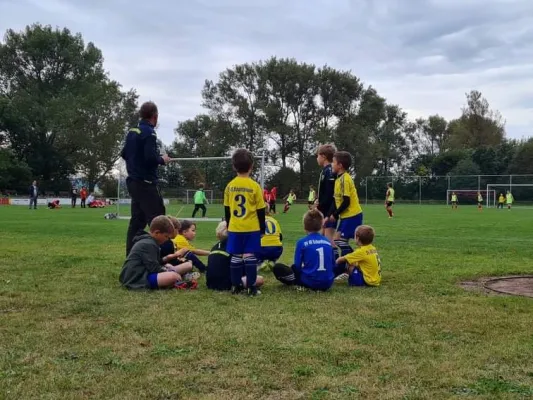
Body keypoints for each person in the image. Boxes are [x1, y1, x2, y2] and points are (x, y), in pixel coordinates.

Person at [121, 101, 171, 256]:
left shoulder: (132, 131)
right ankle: (164, 257)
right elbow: (150, 158)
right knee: (159, 221)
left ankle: (131, 256)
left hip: (133, 183)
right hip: (147, 184)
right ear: (155, 117)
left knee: (137, 222)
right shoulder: (149, 133)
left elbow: (124, 154)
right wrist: (162, 160)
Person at [224, 148, 266, 296]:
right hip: (251, 227)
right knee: (250, 257)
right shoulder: (254, 186)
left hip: (235, 227)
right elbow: (261, 210)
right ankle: (251, 287)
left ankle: (235, 286)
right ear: (251, 166)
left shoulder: (230, 186)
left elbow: (227, 210)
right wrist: (262, 228)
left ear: (234, 166)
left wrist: (229, 225)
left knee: (235, 256)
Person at [119, 216, 193, 290]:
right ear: (157, 232)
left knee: (188, 265)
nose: (167, 239)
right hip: (137, 277)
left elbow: (153, 262)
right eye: (166, 236)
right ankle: (178, 279)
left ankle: (177, 276)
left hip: (145, 272)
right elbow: (154, 268)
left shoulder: (151, 242)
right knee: (173, 276)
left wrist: (166, 259)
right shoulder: (148, 244)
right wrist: (167, 271)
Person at [273, 209, 335, 291]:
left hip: (309, 282)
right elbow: (333, 264)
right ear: (321, 226)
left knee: (278, 268)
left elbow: (297, 267)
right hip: (328, 283)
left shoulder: (302, 242)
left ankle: (294, 282)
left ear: (304, 226)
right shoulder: (328, 241)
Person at [327, 151, 363, 267]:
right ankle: (348, 266)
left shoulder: (345, 179)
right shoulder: (338, 179)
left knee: (339, 240)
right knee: (338, 239)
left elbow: (346, 201)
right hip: (346, 216)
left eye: (333, 162)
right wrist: (330, 215)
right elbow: (336, 201)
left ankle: (353, 262)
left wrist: (335, 214)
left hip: (352, 215)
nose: (332, 164)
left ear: (340, 165)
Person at [206, 221, 264, 291]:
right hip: (227, 284)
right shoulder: (236, 246)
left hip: (210, 283)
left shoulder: (214, 247)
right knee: (259, 279)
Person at [316, 144, 337, 243]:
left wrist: (319, 206)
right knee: (324, 238)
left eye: (317, 156)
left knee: (329, 240)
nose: (317, 158)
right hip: (325, 211)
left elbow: (330, 194)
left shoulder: (329, 171)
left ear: (323, 157)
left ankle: (334, 258)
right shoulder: (325, 171)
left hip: (329, 211)